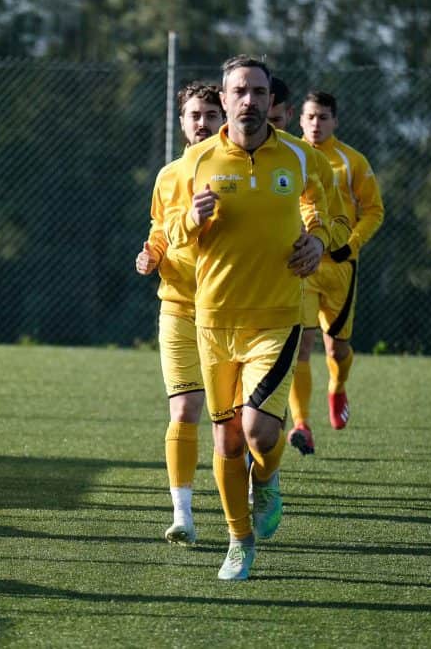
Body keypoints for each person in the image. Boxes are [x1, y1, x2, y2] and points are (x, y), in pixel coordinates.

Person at [163, 55, 330, 580]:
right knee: (226, 439)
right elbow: (169, 230)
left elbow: (325, 210)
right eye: (239, 92)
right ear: (225, 97)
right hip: (213, 321)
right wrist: (191, 219)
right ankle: (239, 540)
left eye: (258, 92)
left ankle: (270, 479)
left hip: (277, 316)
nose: (249, 101)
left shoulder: (299, 158)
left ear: (270, 100)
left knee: (258, 433)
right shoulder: (194, 163)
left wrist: (320, 240)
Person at [135, 82, 224, 546]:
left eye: (211, 114)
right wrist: (150, 253)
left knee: (230, 422)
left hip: (231, 308)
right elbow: (159, 227)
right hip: (177, 303)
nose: (203, 122)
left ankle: (249, 491)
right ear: (182, 121)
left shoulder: (235, 172)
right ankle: (182, 513)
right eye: (195, 114)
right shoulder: (169, 174)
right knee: (186, 409)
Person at [288, 90, 384, 451]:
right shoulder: (291, 156)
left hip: (341, 268)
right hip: (302, 265)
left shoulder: (351, 161)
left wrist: (353, 242)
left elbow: (375, 209)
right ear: (300, 119)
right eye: (310, 117)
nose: (316, 124)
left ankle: (338, 386)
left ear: (335, 121)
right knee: (302, 346)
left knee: (336, 349)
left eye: (323, 117)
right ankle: (302, 424)